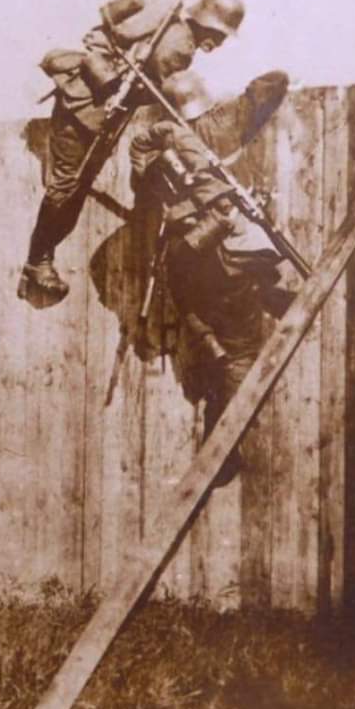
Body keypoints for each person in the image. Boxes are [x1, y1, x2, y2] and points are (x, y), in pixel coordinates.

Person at [19, 0, 246, 305]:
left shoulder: (176, 30)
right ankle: (36, 262)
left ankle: (40, 260)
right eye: (220, 33)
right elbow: (171, 95)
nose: (219, 42)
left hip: (96, 114)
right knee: (65, 188)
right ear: (207, 23)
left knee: (75, 189)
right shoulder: (179, 45)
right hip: (84, 110)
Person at [128, 68, 291, 486]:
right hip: (230, 254)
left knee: (207, 317)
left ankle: (216, 342)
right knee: (241, 354)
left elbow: (144, 187)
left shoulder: (154, 149)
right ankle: (222, 450)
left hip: (189, 260)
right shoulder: (225, 121)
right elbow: (273, 83)